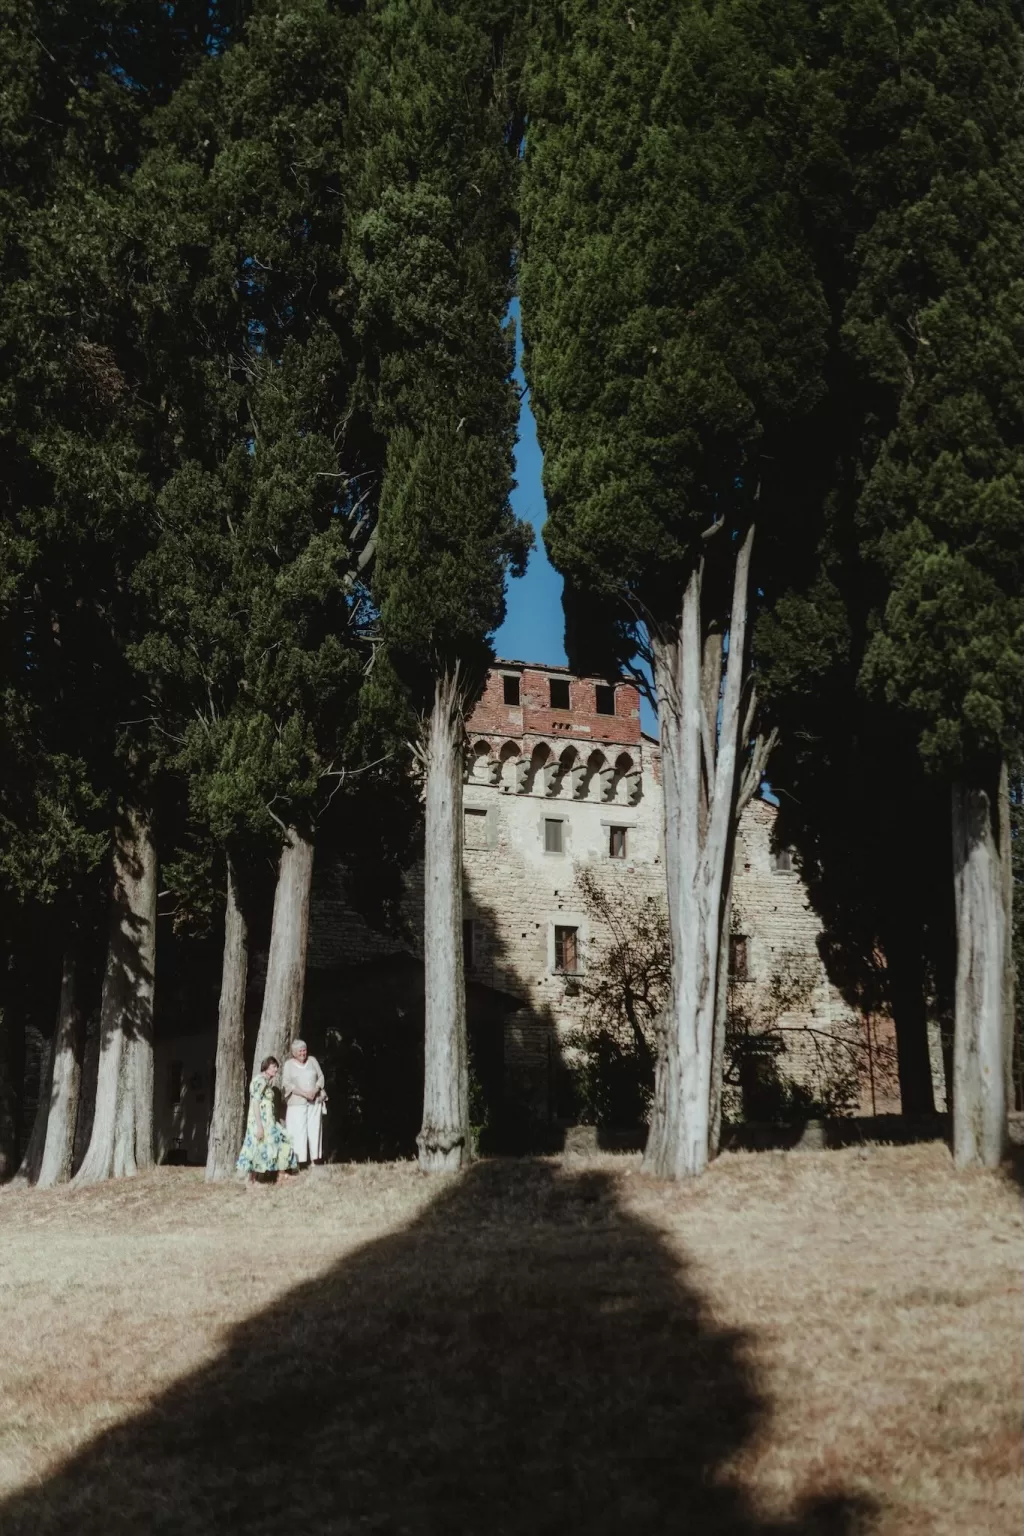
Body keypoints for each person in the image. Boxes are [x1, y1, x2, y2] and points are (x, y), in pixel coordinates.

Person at [236, 1056, 298, 1187]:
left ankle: (281, 1175)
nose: (276, 1070)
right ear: (266, 1067)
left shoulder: (265, 1081)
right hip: (261, 1122)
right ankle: (252, 1180)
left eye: (276, 1067)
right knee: (258, 1147)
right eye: (273, 1067)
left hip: (269, 1121)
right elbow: (255, 1103)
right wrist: (259, 1126)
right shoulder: (260, 1081)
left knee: (283, 1140)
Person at [280, 1038, 327, 1167]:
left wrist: (315, 1089)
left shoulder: (312, 1060)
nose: (303, 1053)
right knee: (297, 1131)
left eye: (304, 1050)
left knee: (314, 1129)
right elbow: (287, 1083)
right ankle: (299, 1162)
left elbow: (321, 1077)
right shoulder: (289, 1064)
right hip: (297, 1102)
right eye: (300, 1051)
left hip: (314, 1101)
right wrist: (303, 1093)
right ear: (294, 1052)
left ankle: (315, 1160)